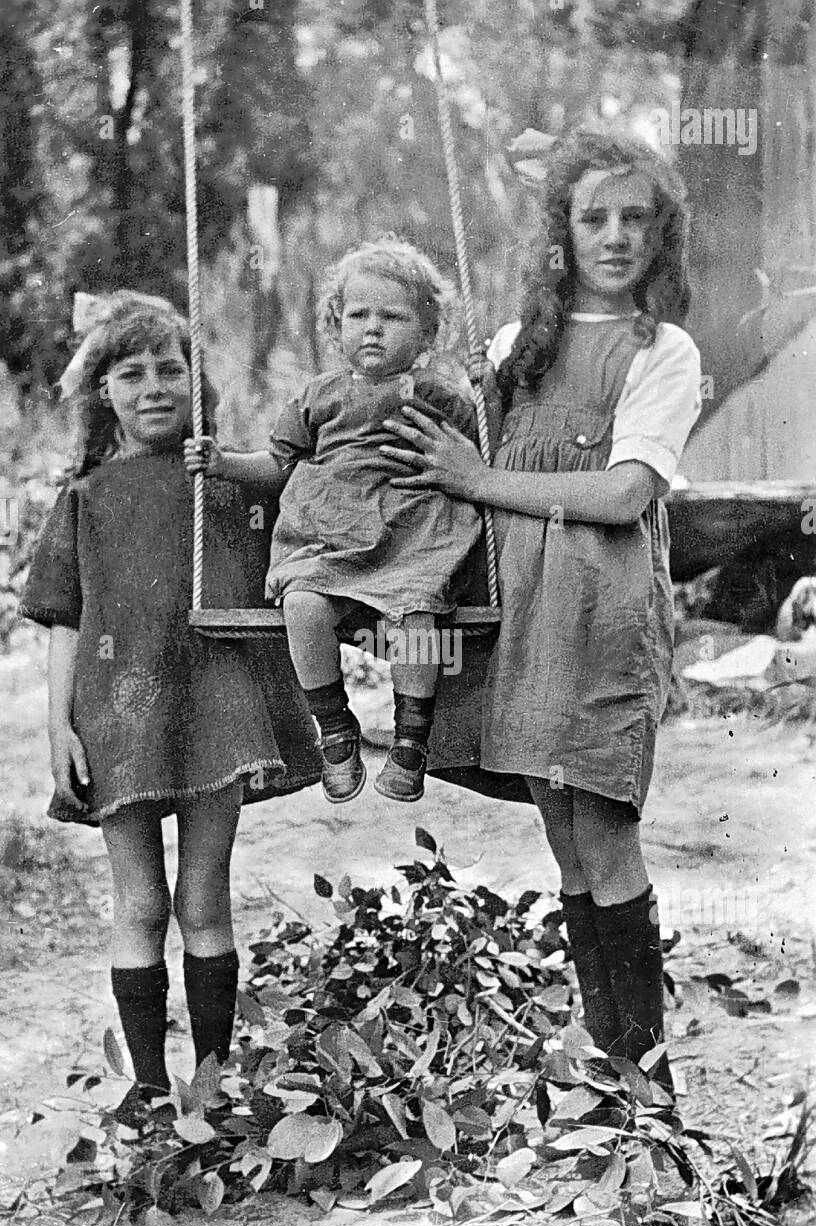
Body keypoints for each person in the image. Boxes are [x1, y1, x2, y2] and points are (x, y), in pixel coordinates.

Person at [380, 131, 702, 1113]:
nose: (614, 236)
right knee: (564, 837)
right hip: (523, 605)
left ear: (661, 234)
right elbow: (463, 433)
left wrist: (483, 477)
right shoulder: (528, 344)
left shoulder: (664, 351)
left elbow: (622, 491)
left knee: (605, 833)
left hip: (600, 611)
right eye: (591, 217)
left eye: (634, 218)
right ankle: (614, 1062)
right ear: (561, 232)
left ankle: (653, 1088)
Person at [19, 291, 321, 1108]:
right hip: (118, 717)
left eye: (169, 368)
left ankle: (213, 1084)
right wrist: (58, 732)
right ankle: (152, 1095)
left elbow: (299, 539)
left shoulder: (223, 486)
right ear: (103, 393)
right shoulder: (88, 498)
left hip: (215, 711)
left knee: (203, 895)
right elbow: (63, 624)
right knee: (142, 901)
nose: (154, 386)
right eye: (131, 373)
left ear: (195, 381)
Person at [265, 239, 484, 804]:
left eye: (393, 316)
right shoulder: (319, 395)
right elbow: (277, 463)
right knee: (303, 605)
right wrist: (218, 465)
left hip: (411, 535)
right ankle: (335, 731)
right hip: (332, 531)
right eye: (358, 314)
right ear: (336, 325)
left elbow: (485, 449)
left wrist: (490, 391)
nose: (373, 328)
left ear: (427, 331)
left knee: (419, 617)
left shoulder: (438, 393)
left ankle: (411, 742)